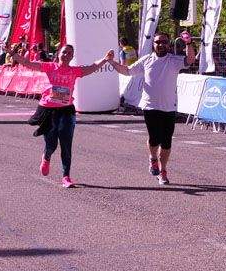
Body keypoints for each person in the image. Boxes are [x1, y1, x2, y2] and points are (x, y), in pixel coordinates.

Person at [15, 44, 117, 188]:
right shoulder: (49, 67)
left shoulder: (74, 71)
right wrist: (12, 53)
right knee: (51, 144)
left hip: (67, 110)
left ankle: (66, 176)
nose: (66, 55)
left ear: (72, 56)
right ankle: (47, 156)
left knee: (66, 144)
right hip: (49, 111)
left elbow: (92, 68)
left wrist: (105, 59)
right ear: (58, 53)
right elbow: (27, 63)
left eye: (70, 53)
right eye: (64, 52)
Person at [112, 32, 190, 185]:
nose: (161, 45)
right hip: (150, 106)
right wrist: (111, 62)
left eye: (164, 42)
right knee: (154, 139)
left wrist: (188, 44)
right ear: (153, 44)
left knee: (166, 141)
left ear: (168, 44)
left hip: (168, 107)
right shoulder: (146, 60)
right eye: (157, 42)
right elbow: (127, 71)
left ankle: (163, 171)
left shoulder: (174, 60)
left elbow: (190, 60)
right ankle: (153, 158)